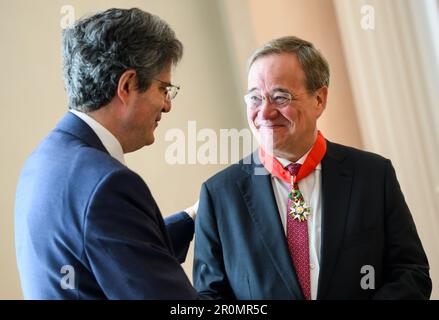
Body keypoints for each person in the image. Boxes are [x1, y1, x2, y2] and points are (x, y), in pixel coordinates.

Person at [193, 36, 432, 299]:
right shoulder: (219, 195)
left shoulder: (373, 176)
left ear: (319, 99)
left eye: (280, 97)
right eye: (255, 99)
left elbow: (410, 273)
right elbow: (209, 297)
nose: (265, 112)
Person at [15, 8, 199, 299]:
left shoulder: (42, 161)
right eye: (163, 89)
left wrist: (193, 219)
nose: (167, 105)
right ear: (126, 85)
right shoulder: (108, 184)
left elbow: (112, 248)